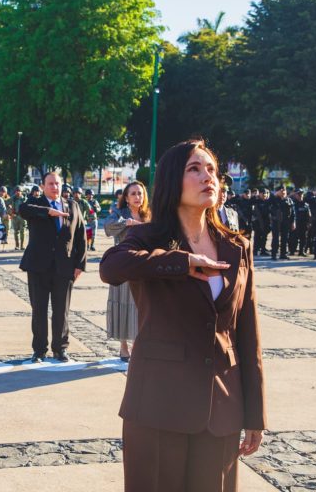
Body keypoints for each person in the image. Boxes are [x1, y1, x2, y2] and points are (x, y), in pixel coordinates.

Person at [99, 139, 265, 492]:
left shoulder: (237, 247)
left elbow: (247, 333)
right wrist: (181, 262)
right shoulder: (144, 236)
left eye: (212, 170)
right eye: (195, 169)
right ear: (173, 180)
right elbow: (111, 268)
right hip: (158, 403)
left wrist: (255, 413)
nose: (208, 177)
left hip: (221, 406)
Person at [19, 172, 87, 363]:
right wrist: (48, 211)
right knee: (39, 309)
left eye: (57, 184)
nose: (55, 187)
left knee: (61, 310)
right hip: (38, 267)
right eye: (50, 184)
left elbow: (81, 237)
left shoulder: (72, 206)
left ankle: (61, 348)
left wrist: (80, 265)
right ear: (42, 186)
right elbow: (23, 209)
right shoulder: (36, 204)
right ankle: (39, 350)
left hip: (64, 268)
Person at [104, 180, 149, 362]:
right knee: (123, 303)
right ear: (127, 198)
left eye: (140, 193)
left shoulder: (149, 215)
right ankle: (124, 346)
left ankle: (140, 344)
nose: (137, 197)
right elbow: (108, 227)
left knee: (142, 305)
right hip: (122, 265)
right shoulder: (119, 213)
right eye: (133, 194)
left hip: (144, 265)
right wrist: (126, 223)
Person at [269, 185, 295, 260]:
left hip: (286, 221)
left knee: (285, 238)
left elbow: (293, 212)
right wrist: (274, 195)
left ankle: (283, 254)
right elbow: (268, 203)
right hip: (276, 221)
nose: (283, 192)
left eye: (284, 190)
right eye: (281, 190)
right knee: (275, 239)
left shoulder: (289, 200)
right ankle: (274, 254)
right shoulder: (274, 199)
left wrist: (293, 222)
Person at [289, 188, 311, 256]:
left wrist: (309, 223)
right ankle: (292, 251)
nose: (300, 195)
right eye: (298, 194)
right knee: (293, 238)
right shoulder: (292, 203)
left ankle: (301, 251)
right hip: (295, 223)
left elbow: (309, 215)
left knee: (303, 238)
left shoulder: (306, 204)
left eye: (301, 194)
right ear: (295, 195)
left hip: (303, 224)